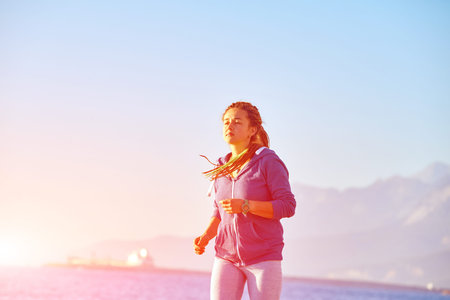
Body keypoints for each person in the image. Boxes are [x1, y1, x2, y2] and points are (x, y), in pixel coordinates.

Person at [193, 101, 296, 300]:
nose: (229, 126)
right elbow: (219, 211)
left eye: (237, 122)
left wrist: (247, 206)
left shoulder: (268, 161)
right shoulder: (221, 167)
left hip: (264, 259)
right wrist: (206, 237)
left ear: (252, 129)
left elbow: (287, 206)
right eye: (226, 122)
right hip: (226, 257)